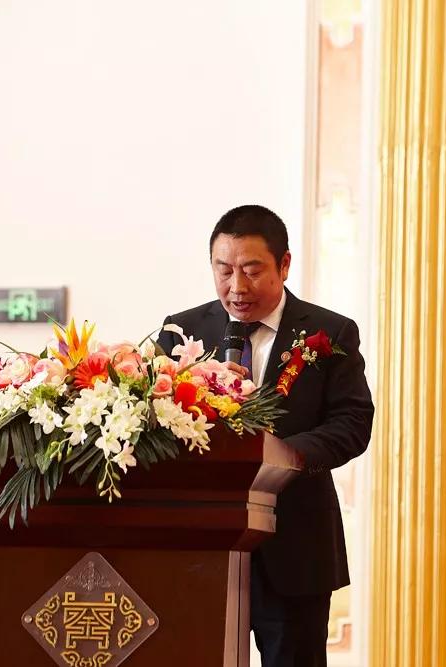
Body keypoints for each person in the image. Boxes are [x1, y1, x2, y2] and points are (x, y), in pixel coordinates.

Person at [156, 204, 374, 667]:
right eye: (224, 270)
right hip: (202, 545)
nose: (237, 287)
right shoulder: (182, 331)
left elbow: (352, 422)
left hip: (295, 542)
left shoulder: (329, 331)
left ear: (284, 265)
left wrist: (286, 455)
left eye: (252, 271)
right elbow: (155, 420)